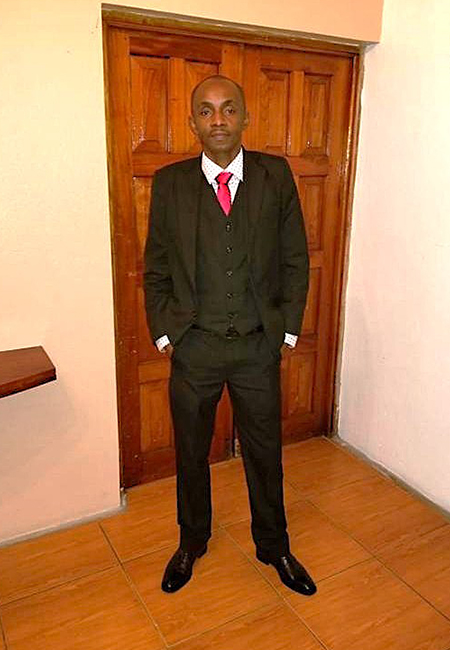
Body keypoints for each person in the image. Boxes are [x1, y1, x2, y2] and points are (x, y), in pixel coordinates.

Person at [144, 75, 316, 597]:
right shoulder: (170, 183)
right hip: (194, 346)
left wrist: (287, 330)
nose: (217, 119)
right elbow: (155, 266)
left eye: (227, 109)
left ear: (245, 117)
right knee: (191, 451)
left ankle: (274, 545)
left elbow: (295, 257)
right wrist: (164, 334)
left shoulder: (274, 175)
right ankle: (191, 541)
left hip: (256, 347)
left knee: (265, 451)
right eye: (206, 110)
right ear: (193, 122)